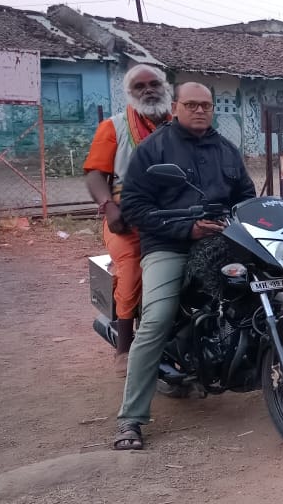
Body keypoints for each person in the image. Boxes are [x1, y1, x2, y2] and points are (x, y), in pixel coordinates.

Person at [113, 83, 257, 450]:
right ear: (175, 106)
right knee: (157, 318)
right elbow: (133, 206)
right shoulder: (153, 149)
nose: (200, 111)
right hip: (169, 244)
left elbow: (246, 197)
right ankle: (131, 418)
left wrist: (237, 222)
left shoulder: (226, 149)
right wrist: (186, 229)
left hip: (221, 240)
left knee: (262, 291)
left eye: (206, 105)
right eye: (191, 104)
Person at [82, 64, 173, 376]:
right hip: (128, 220)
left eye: (154, 84)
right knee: (132, 267)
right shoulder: (114, 127)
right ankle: (123, 347)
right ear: (129, 94)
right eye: (139, 86)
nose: (148, 90)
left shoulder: (182, 124)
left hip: (175, 218)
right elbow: (94, 174)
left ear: (166, 87)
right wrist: (108, 206)